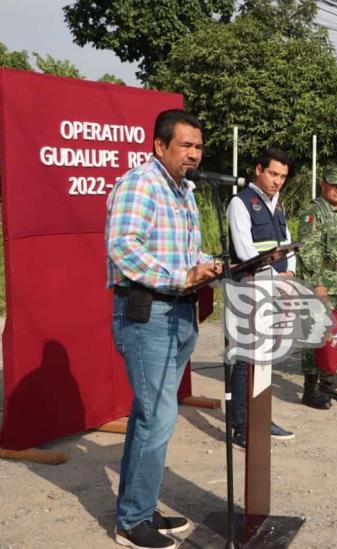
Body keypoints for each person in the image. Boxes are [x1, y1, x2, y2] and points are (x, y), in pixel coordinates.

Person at [107, 109, 222, 549]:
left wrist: (207, 264)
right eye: (185, 146)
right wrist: (181, 277)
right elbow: (123, 247)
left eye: (197, 146)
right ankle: (130, 522)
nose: (193, 154)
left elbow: (180, 249)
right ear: (159, 146)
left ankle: (141, 505)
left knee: (149, 417)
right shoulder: (141, 184)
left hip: (179, 312)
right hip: (148, 313)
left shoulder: (183, 192)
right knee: (157, 416)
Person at [227, 148, 296, 447]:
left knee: (265, 358)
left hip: (274, 289)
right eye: (273, 173)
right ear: (259, 170)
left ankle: (261, 417)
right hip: (250, 289)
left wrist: (289, 273)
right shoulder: (240, 203)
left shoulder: (277, 206)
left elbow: (286, 243)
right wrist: (276, 277)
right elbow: (244, 252)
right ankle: (242, 426)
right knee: (245, 360)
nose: (277, 181)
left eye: (282, 176)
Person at [297, 167, 337, 408]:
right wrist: (316, 283)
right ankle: (310, 387)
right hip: (323, 280)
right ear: (323, 185)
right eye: (334, 185)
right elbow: (307, 248)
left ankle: (328, 381)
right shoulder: (313, 213)